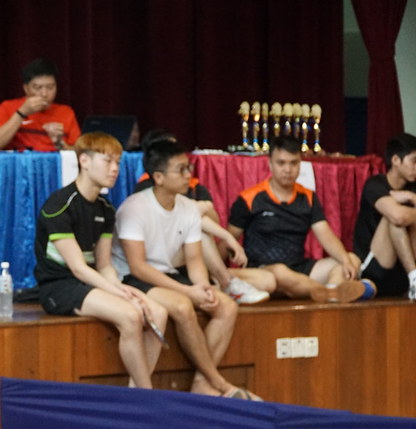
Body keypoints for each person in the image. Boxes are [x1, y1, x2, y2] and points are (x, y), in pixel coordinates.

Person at [111, 140, 257, 400]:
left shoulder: (188, 207)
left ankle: (202, 384)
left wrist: (202, 287)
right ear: (158, 177)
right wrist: (188, 292)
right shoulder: (134, 208)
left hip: (169, 274)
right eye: (181, 169)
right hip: (133, 278)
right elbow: (138, 267)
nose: (189, 175)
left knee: (226, 306)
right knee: (181, 306)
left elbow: (194, 259)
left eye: (188, 167)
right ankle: (220, 383)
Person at [35, 131, 169, 389]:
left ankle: (136, 391)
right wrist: (123, 296)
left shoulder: (106, 209)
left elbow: (105, 265)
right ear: (84, 161)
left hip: (91, 281)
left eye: (118, 162)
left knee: (158, 312)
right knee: (131, 315)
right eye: (108, 161)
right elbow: (78, 268)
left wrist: (124, 289)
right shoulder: (60, 205)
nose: (115, 168)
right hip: (60, 285)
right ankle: (147, 395)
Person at [227, 136, 373, 303]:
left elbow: (325, 235)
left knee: (351, 259)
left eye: (293, 163)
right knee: (281, 272)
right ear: (270, 164)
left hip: (299, 269)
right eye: (281, 163)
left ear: (300, 164)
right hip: (264, 271)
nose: (288, 169)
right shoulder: (250, 198)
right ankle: (330, 292)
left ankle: (331, 298)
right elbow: (228, 241)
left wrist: (346, 261)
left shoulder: (308, 197)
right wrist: (213, 272)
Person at [133, 129, 272, 304]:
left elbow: (213, 220)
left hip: (199, 260)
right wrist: (223, 232)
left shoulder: (195, 187)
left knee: (268, 282)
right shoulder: (146, 189)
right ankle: (225, 282)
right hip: (167, 259)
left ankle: (217, 284)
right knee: (200, 232)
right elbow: (194, 221)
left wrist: (202, 211)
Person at [353, 132, 416, 300]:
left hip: (401, 273)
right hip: (374, 268)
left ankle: (413, 280)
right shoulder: (375, 184)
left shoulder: (413, 187)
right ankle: (415, 278)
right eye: (414, 161)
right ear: (395, 160)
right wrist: (410, 200)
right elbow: (398, 217)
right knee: (395, 219)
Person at [0, 58, 81, 152]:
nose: (44, 93)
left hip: (53, 163)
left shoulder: (66, 112)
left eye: (50, 87)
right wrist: (21, 113)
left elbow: (79, 154)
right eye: (38, 87)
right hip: (19, 164)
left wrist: (59, 143)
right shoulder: (7, 107)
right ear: (26, 88)